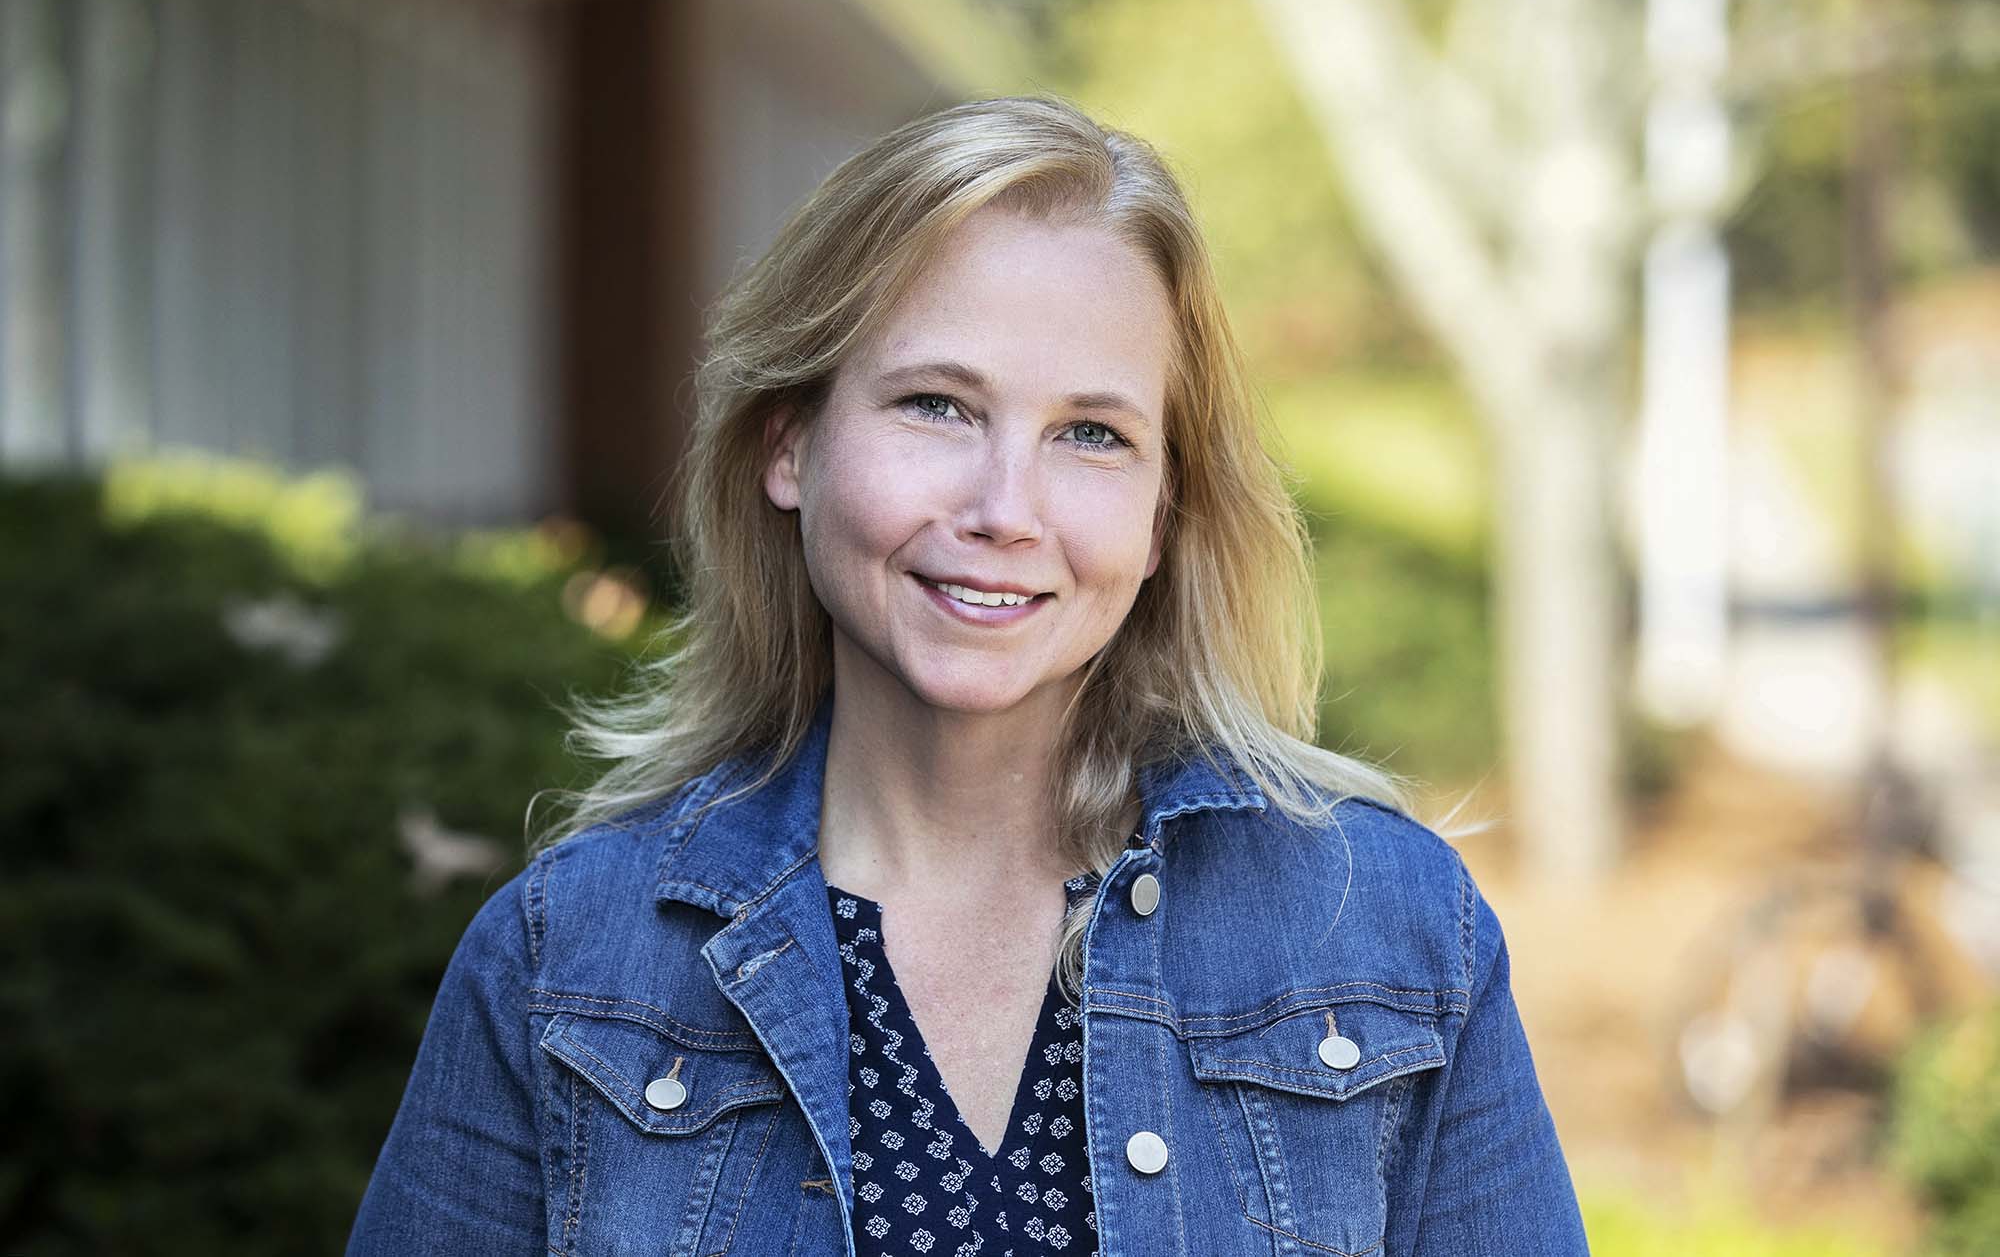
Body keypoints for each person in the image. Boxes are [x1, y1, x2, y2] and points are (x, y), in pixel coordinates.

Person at [346, 94, 1589, 1256]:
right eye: (937, 405)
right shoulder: (571, 961)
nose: (1005, 508)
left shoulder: (1387, 931)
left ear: (1162, 513)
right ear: (789, 443)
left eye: (1089, 435)